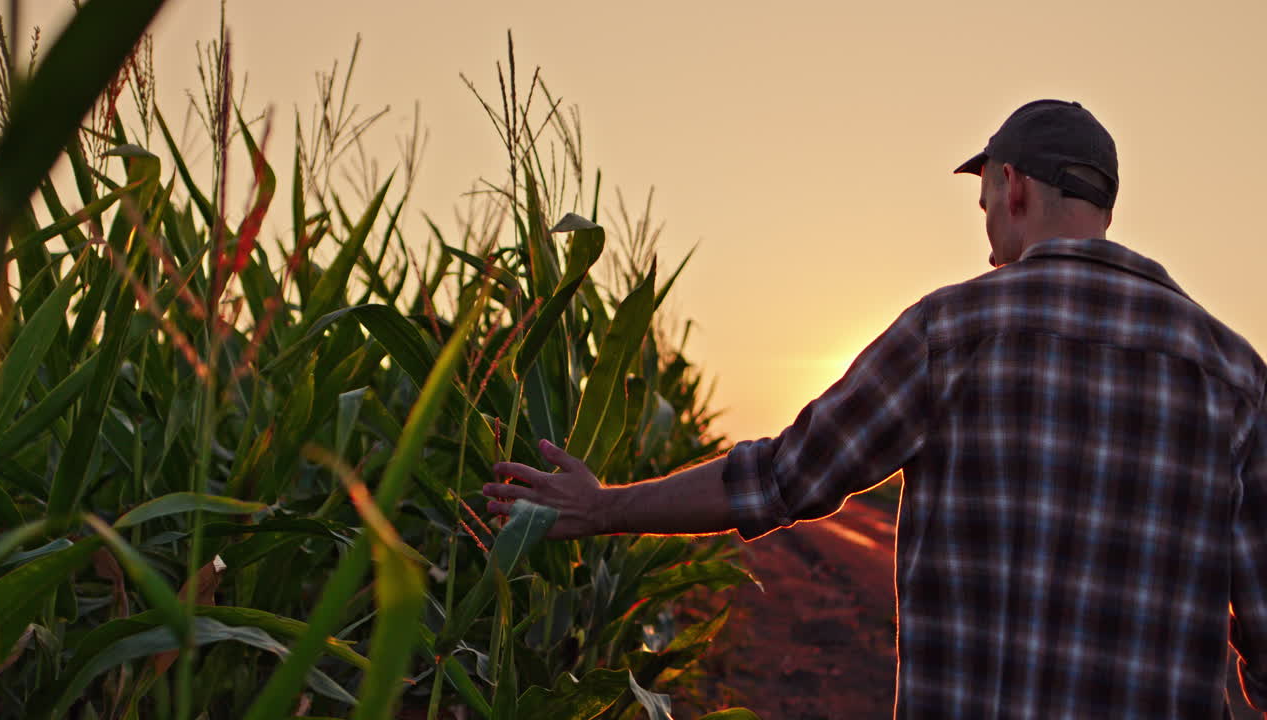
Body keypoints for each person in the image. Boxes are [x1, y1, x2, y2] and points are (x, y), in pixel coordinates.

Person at [483, 99, 1267, 719]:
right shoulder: (1235, 376)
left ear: (1014, 187)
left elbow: (782, 477)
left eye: (987, 209)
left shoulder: (949, 333)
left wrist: (606, 507)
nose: (990, 245)